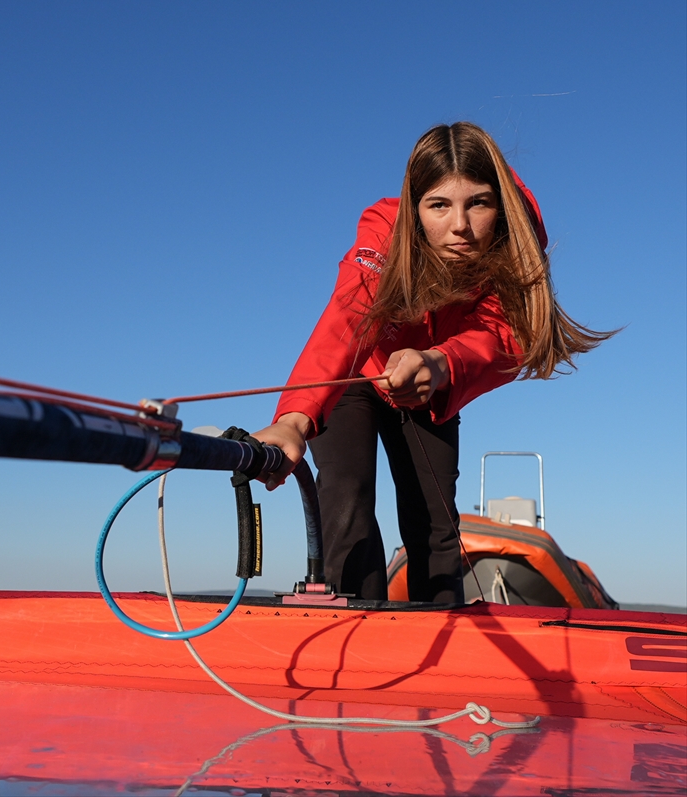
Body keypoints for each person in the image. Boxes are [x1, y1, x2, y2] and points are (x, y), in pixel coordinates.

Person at [252, 122, 614, 603]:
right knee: (345, 498)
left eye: (478, 203)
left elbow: (506, 335)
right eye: (439, 205)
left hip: (434, 384)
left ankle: (441, 630)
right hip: (360, 372)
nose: (459, 225)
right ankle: (356, 630)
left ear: (499, 205)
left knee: (435, 523)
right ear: (416, 206)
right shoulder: (384, 228)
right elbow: (349, 315)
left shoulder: (517, 245)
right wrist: (295, 420)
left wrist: (440, 364)